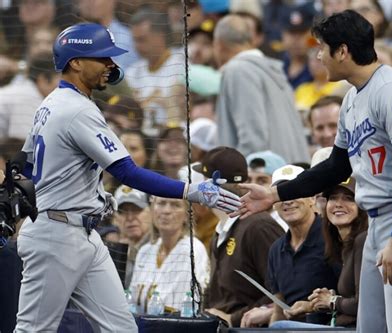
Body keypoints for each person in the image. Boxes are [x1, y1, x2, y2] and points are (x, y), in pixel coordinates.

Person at [234, 10, 392, 333]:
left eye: (322, 47)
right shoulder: (352, 99)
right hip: (380, 222)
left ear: (343, 51)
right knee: (371, 328)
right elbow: (337, 166)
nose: (319, 56)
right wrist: (275, 193)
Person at [15, 23, 240, 333]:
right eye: (103, 58)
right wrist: (190, 190)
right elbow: (126, 172)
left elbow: (24, 166)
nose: (112, 65)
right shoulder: (75, 109)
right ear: (76, 62)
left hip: (81, 232)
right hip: (57, 234)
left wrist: (89, 194)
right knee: (33, 330)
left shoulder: (52, 103)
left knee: (122, 329)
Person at [241, 165, 339, 328]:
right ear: (273, 203)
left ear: (312, 198)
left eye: (295, 192)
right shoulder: (275, 250)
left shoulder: (334, 237)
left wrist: (311, 306)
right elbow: (278, 309)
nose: (288, 200)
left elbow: (351, 295)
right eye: (282, 195)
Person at [198, 147, 285, 327]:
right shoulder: (221, 229)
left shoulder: (258, 226)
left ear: (213, 185)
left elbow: (283, 289)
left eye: (204, 181)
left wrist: (234, 318)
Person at [271, 177, 367, 329]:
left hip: (356, 328)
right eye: (333, 198)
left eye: (349, 199)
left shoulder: (362, 240)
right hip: (341, 325)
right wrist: (316, 303)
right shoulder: (340, 244)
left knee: (280, 328)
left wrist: (332, 300)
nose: (338, 204)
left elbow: (367, 304)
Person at [212, 14, 309, 163]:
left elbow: (254, 139)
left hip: (265, 179)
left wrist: (235, 175)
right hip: (289, 176)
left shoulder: (239, 70)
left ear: (219, 44)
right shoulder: (271, 70)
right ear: (251, 40)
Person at [130, 196, 209, 312]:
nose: (166, 211)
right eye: (161, 203)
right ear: (152, 210)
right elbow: (131, 301)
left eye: (175, 205)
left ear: (187, 215)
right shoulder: (144, 251)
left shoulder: (193, 249)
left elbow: (185, 307)